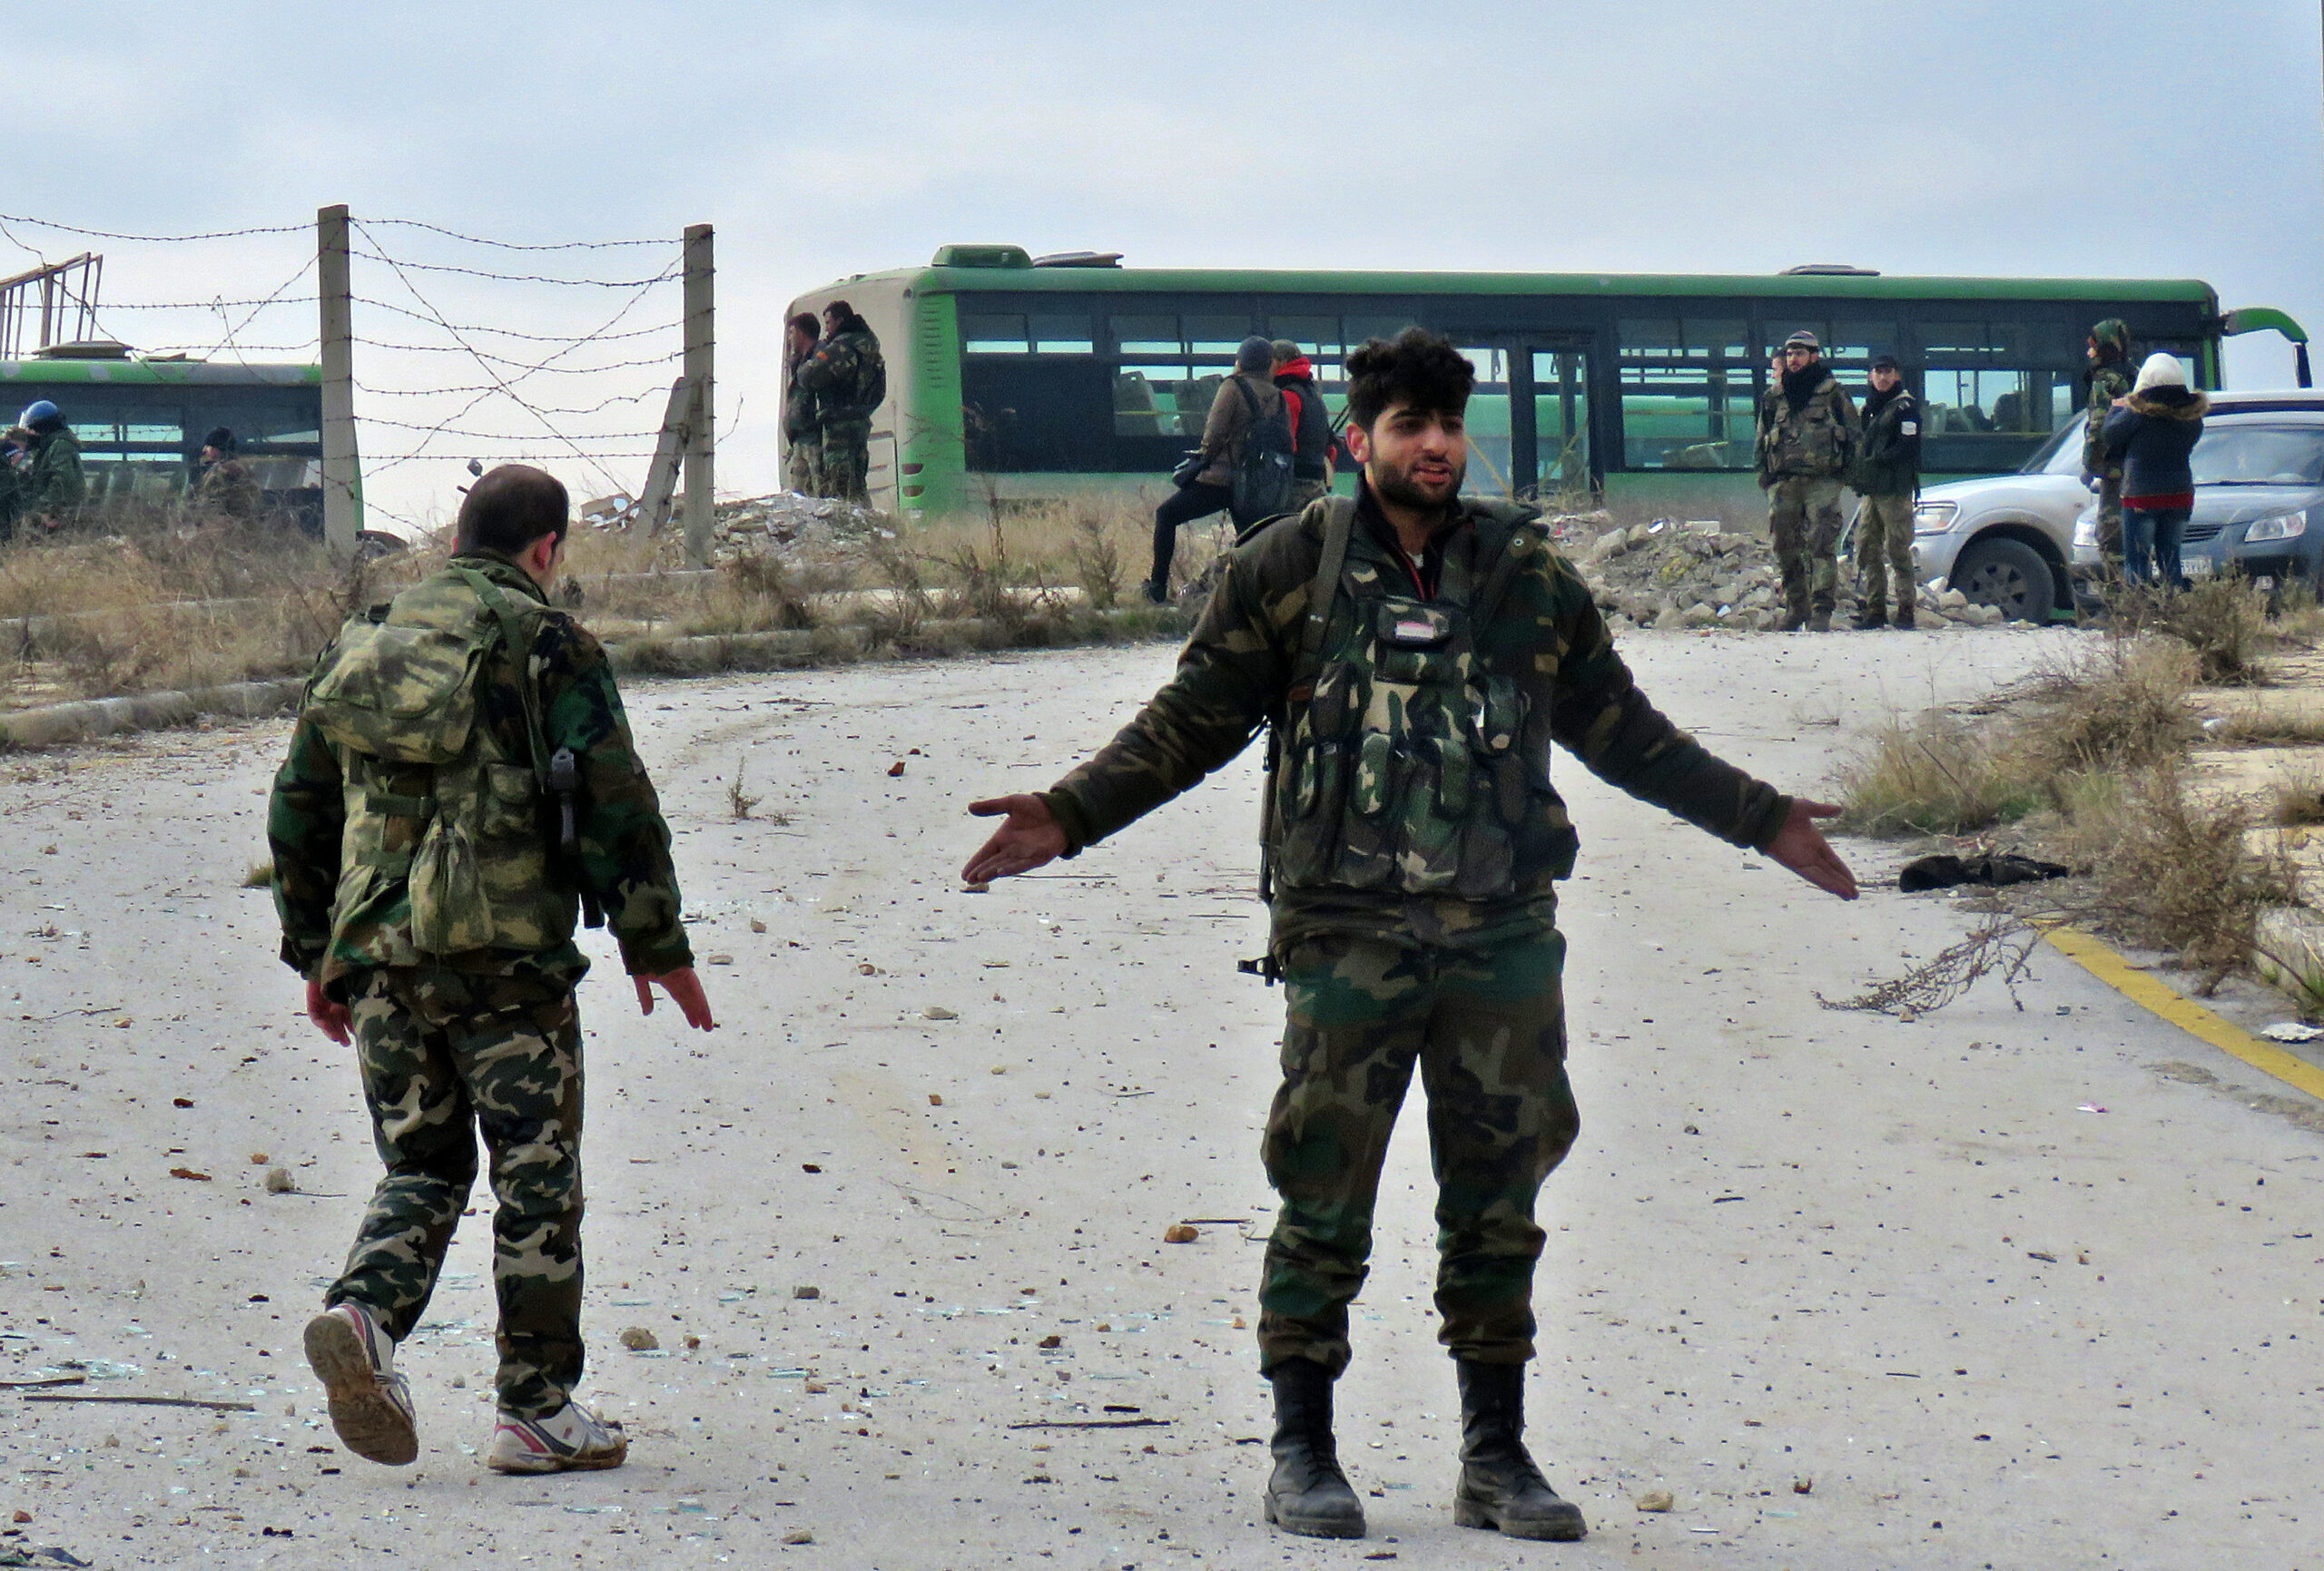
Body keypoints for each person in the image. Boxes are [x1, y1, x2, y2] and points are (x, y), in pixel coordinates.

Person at [961, 329, 1857, 1545]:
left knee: (1499, 1200)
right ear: (1358, 439)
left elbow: (1625, 731)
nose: (1435, 447)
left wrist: (1761, 819)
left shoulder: (1527, 577)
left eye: (1449, 426)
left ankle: (1496, 1453)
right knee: (1322, 1193)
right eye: (1408, 427)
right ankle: (1304, 1447)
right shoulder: (1286, 570)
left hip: (1501, 941)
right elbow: (1189, 721)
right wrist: (1069, 812)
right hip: (1347, 938)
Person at [267, 464, 715, 1476]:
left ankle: (365, 1319)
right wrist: (658, 946)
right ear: (546, 548)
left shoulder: (366, 640)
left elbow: (299, 802)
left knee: (422, 1166)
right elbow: (616, 797)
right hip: (504, 960)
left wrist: (318, 951)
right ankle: (536, 1406)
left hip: (378, 953)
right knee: (536, 1177)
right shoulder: (546, 640)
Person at [1144, 335, 1288, 603]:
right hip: (1256, 486)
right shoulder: (1279, 397)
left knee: (1166, 514)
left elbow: (1214, 434)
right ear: (1268, 364)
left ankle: (1157, 590)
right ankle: (1264, 599)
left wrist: (1201, 462)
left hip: (1221, 481)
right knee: (1253, 542)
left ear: (1241, 361)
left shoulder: (1232, 387)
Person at [1754, 331, 1858, 631]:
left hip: (1822, 483)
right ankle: (1796, 607)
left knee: (1821, 546)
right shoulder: (1775, 396)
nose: (1793, 360)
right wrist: (1766, 479)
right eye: (1789, 355)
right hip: (1785, 484)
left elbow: (1855, 435)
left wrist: (1846, 476)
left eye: (1799, 354)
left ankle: (1821, 611)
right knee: (1784, 545)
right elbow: (1761, 438)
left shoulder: (1833, 392)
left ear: (1814, 357)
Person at [2102, 354, 2208, 589]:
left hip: (2141, 496)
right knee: (2171, 558)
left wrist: (2118, 409)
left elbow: (2110, 434)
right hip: (2181, 496)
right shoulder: (2192, 419)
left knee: (2138, 562)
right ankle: (2173, 611)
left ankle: (2140, 614)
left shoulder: (2138, 415)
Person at [1849, 355, 1921, 629]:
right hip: (1872, 491)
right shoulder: (1868, 408)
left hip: (1895, 491)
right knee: (1867, 547)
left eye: (1887, 372)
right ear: (1870, 376)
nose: (1882, 377)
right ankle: (1875, 610)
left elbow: (1907, 447)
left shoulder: (1906, 408)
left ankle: (1906, 611)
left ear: (1897, 375)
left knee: (1898, 549)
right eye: (1877, 372)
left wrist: (1876, 462)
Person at [796, 300, 884, 505]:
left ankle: (845, 530)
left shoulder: (842, 346)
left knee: (838, 486)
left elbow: (808, 376)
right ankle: (864, 525)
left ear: (840, 321)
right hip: (861, 419)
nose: (826, 329)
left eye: (828, 323)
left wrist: (807, 363)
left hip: (838, 424)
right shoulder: (869, 346)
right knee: (859, 482)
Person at [2082, 319, 2136, 575]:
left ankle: (2119, 606)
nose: (2090, 352)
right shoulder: (2136, 377)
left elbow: (2098, 429)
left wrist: (2091, 466)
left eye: (2094, 346)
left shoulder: (2105, 381)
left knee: (2111, 538)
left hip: (2114, 473)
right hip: (2139, 471)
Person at [1272, 339, 1335, 509]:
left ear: (1282, 362)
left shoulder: (1288, 395)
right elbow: (1330, 448)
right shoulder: (1314, 395)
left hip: (1296, 486)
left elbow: (1285, 444)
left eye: (1270, 361)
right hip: (1317, 482)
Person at [16, 399, 84, 533]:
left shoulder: (59, 445)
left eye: (32, 429)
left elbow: (61, 480)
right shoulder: (46, 448)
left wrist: (45, 510)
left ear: (43, 428)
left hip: (54, 518)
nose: (29, 433)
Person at [782, 312, 824, 496]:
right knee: (799, 496)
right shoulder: (799, 362)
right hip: (799, 438)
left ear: (801, 333)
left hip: (816, 436)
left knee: (821, 491)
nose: (790, 339)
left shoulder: (821, 358)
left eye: (792, 332)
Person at [190, 427, 262, 523]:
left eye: (209, 446)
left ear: (218, 448)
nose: (204, 450)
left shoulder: (225, 472)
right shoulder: (243, 470)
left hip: (223, 527)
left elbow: (214, 502)